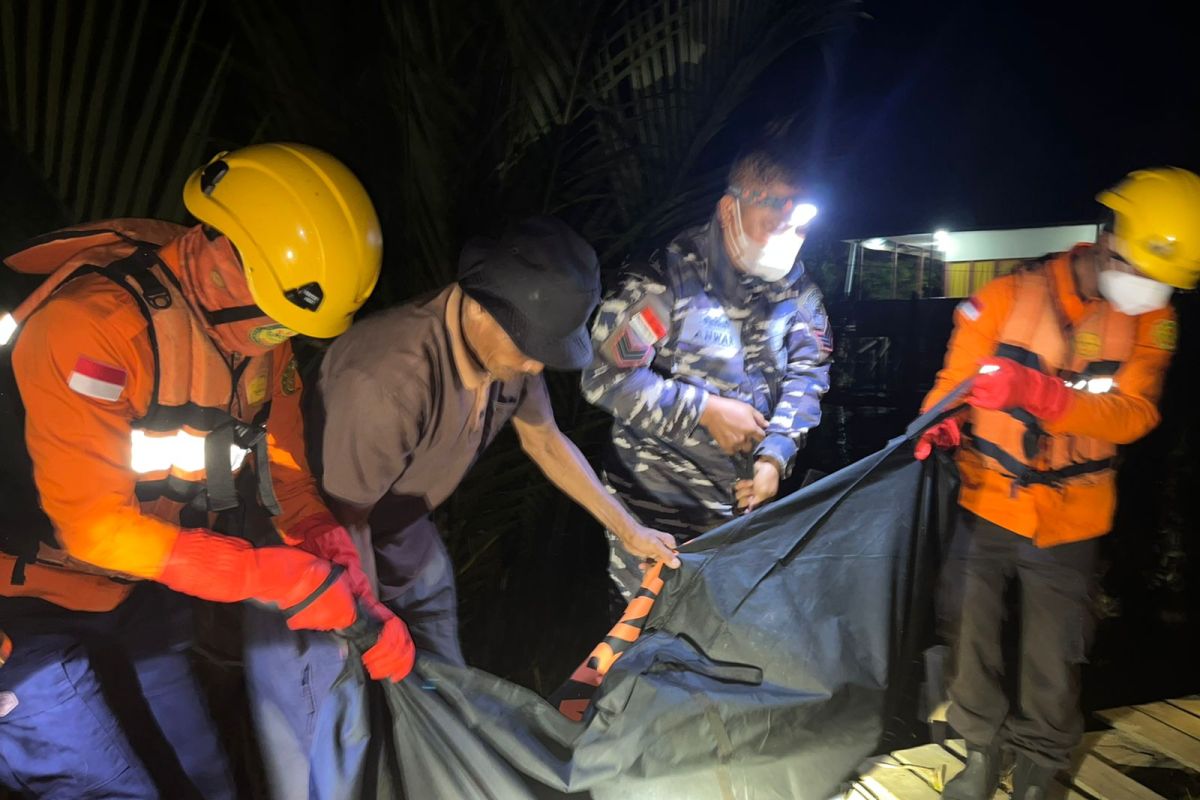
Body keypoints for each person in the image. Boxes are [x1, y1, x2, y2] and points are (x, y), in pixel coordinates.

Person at [0, 143, 413, 799]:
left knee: (206, 782)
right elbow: (93, 529)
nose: (284, 340)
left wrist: (329, 551)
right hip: (20, 612)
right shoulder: (91, 330)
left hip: (131, 593)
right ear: (228, 263)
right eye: (280, 324)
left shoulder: (253, 346)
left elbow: (284, 471)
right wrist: (276, 576)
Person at [243, 214, 679, 798]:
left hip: (400, 533)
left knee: (444, 700)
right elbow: (342, 524)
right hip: (311, 561)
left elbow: (545, 439)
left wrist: (628, 530)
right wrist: (374, 631)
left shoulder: (512, 352)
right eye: (530, 351)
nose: (534, 367)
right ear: (478, 306)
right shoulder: (388, 379)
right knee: (330, 735)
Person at [917, 167, 1200, 800]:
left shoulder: (1153, 323)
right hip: (985, 502)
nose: (1153, 291)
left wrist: (1041, 394)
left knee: (1056, 654)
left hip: (1075, 516)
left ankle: (1042, 766)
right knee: (970, 636)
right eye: (1146, 272)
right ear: (1105, 239)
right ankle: (981, 753)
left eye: (1167, 283)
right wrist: (938, 424)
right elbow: (952, 383)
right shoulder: (1005, 297)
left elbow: (1136, 413)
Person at [581, 145, 833, 606]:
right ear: (729, 208)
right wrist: (703, 410)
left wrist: (775, 456)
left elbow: (809, 370)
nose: (787, 237)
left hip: (741, 515)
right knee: (647, 650)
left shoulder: (795, 287)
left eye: (798, 226)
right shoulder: (665, 279)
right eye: (773, 222)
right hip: (655, 514)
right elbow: (603, 376)